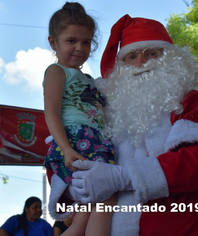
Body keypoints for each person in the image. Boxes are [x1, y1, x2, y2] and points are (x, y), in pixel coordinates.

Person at [46, 15, 198, 236]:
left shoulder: (191, 102)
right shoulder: (103, 110)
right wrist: (76, 186)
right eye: (131, 56)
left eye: (152, 54)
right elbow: (63, 152)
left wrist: (125, 177)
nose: (140, 64)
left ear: (172, 60)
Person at [43, 2, 116, 236]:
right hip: (76, 142)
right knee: (107, 193)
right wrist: (65, 148)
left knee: (89, 210)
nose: (79, 47)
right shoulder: (56, 71)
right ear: (53, 42)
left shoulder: (88, 78)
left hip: (96, 141)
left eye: (86, 42)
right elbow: (51, 111)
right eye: (71, 41)